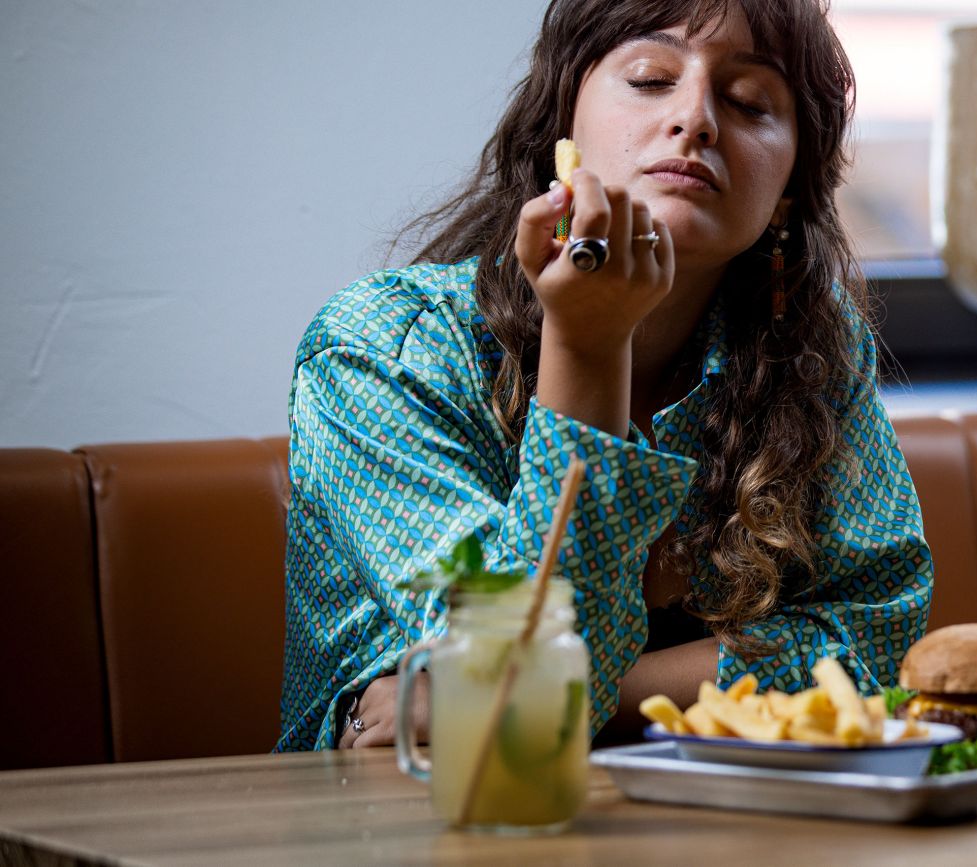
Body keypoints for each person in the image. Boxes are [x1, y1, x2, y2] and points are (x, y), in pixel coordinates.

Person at [274, 0, 933, 753]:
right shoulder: (384, 349)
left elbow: (878, 636)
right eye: (651, 78)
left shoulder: (816, 356)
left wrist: (604, 697)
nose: (695, 119)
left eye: (750, 101)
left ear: (788, 190)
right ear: (563, 126)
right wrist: (588, 344)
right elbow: (514, 673)